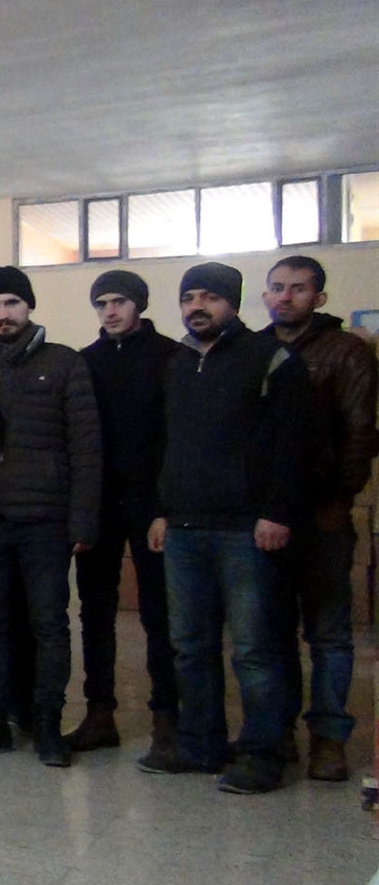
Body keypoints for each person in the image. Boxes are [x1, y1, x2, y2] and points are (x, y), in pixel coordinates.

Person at [145, 262, 309, 794]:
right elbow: (163, 442)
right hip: (183, 528)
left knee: (254, 649)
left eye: (209, 298)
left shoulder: (270, 358)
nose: (197, 307)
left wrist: (277, 512)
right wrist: (160, 510)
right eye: (189, 298)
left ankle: (263, 753)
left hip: (246, 530)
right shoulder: (175, 363)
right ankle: (200, 745)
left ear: (233, 304)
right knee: (190, 646)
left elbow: (293, 445)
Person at [0, 267, 101, 767]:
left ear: (29, 307)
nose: (2, 314)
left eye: (11, 303)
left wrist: (83, 521)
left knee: (48, 624)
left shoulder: (64, 363)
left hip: (44, 519)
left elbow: (86, 448)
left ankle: (46, 723)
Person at [261, 255, 377, 782]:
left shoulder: (346, 351)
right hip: (268, 517)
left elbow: (359, 434)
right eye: (277, 287)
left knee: (328, 634)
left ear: (319, 298)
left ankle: (329, 738)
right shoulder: (256, 350)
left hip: (322, 517)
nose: (285, 297)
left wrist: (335, 498)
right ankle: (279, 732)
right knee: (273, 633)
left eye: (298, 288)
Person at [73, 270, 182, 762]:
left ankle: (167, 718)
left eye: (119, 301)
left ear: (139, 304)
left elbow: (176, 438)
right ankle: (100, 714)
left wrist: (164, 507)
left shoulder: (170, 358)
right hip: (98, 505)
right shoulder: (85, 362)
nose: (110, 311)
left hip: (151, 505)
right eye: (101, 304)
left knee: (160, 614)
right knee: (95, 612)